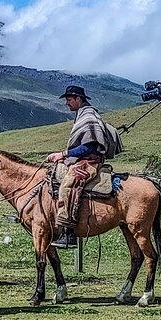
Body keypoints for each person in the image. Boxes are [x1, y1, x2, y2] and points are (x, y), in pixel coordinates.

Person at [46, 85, 122, 249]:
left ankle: (69, 232)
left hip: (89, 162)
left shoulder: (88, 118)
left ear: (78, 99)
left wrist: (63, 154)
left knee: (68, 184)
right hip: (81, 160)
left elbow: (90, 147)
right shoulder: (84, 115)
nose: (67, 103)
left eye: (69, 100)